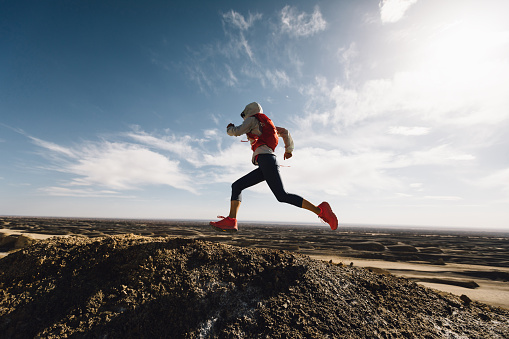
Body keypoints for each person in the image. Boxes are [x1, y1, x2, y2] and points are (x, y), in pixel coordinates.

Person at [210, 102, 338, 233]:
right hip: (266, 162)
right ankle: (232, 221)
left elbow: (236, 132)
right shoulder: (266, 125)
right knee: (237, 186)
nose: (244, 118)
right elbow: (285, 132)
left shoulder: (252, 120)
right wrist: (289, 149)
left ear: (249, 111)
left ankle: (321, 210)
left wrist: (229, 128)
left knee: (282, 196)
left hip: (266, 161)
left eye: (244, 114)